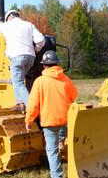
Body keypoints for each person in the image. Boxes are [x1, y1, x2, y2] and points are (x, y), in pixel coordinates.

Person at [25, 50, 78, 178]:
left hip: (50, 122)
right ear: (57, 64)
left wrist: (29, 120)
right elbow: (74, 96)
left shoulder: (40, 81)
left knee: (52, 151)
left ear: (44, 65)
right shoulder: (66, 79)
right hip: (65, 120)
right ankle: (61, 143)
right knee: (61, 137)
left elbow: (33, 104)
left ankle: (56, 175)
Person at [0, 10, 45, 112]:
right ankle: (20, 104)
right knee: (18, 80)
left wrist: (0, 23)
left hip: (17, 58)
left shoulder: (7, 25)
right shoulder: (29, 25)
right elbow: (41, 40)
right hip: (31, 58)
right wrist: (36, 49)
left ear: (9, 17)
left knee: (18, 82)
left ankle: (32, 108)